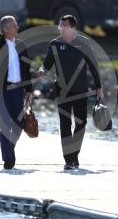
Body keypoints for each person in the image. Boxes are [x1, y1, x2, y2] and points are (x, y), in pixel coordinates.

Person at [36, 15, 104, 170]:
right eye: (60, 26)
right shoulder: (55, 44)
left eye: (65, 26)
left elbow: (94, 66)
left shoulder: (84, 44)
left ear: (73, 28)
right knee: (65, 124)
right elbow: (47, 64)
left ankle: (74, 154)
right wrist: (41, 71)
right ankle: (69, 159)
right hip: (62, 91)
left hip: (81, 90)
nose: (61, 28)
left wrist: (99, 88)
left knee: (81, 123)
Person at [0, 16, 32, 170]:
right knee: (5, 125)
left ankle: (10, 149)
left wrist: (29, 90)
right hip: (2, 90)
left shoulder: (22, 45)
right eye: (14, 25)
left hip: (18, 90)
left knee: (18, 125)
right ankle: (8, 158)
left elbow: (26, 70)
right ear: (5, 29)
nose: (17, 28)